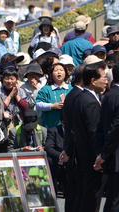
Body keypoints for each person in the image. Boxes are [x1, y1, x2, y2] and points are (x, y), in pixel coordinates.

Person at [66, 61, 107, 212]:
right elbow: (94, 133)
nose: (106, 80)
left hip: (80, 156)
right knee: (92, 199)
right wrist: (100, 157)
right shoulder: (90, 102)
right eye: (103, 77)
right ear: (93, 80)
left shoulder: (80, 97)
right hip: (90, 160)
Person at [94, 64, 119, 211]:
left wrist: (102, 153)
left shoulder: (109, 95)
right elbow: (116, 128)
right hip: (114, 154)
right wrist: (104, 153)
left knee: (112, 198)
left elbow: (102, 128)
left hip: (110, 155)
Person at [61, 65, 84, 212]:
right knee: (77, 191)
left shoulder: (71, 94)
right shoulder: (78, 96)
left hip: (71, 146)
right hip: (77, 149)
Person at [36, 63, 72, 128]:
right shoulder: (46, 89)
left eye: (61, 70)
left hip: (69, 126)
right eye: (56, 70)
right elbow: (38, 104)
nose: (59, 72)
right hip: (50, 126)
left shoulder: (71, 88)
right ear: (51, 74)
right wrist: (52, 106)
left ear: (66, 73)